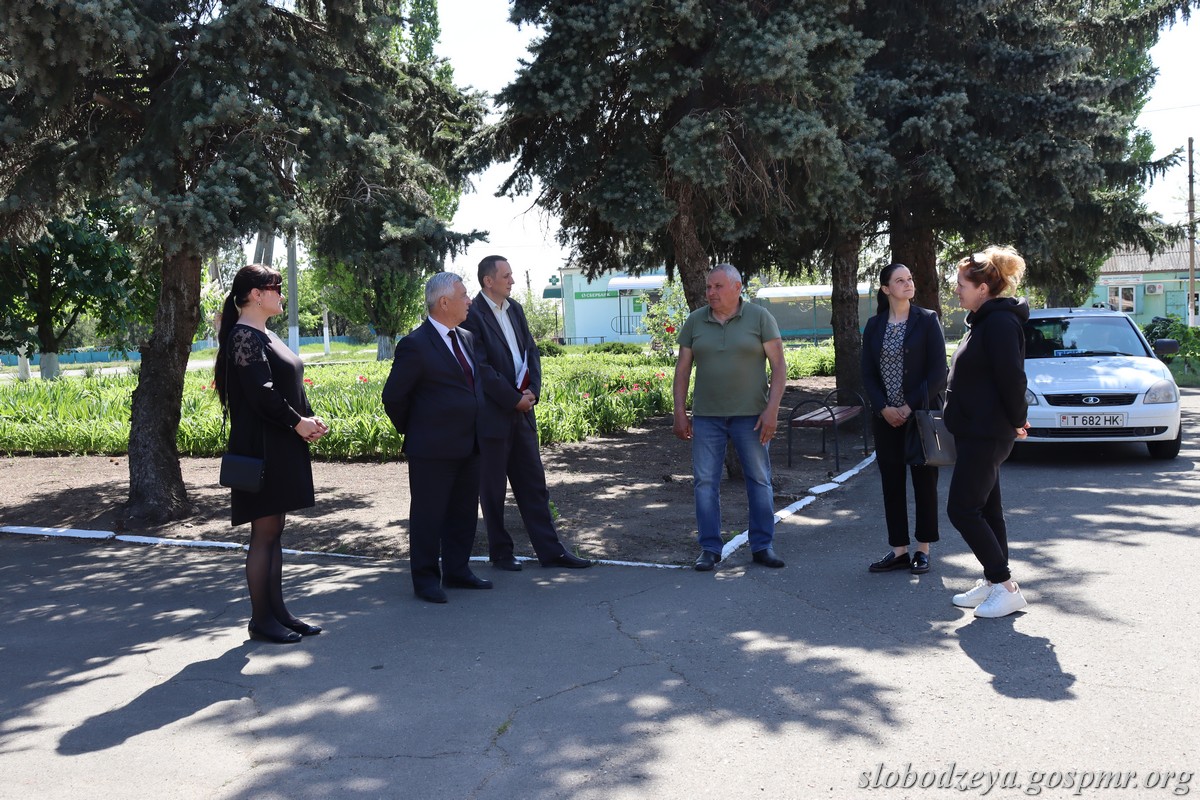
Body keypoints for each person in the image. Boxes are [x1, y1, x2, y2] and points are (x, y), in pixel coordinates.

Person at [214, 264, 329, 644]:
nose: (281, 293)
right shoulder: (243, 337)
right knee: (263, 534)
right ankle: (261, 619)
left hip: (279, 442)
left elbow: (288, 383)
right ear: (254, 295)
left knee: (273, 532)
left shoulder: (265, 334)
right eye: (274, 287)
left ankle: (278, 612)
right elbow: (262, 393)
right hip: (261, 447)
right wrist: (297, 423)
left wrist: (307, 418)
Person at [461, 255, 593, 570]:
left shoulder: (516, 309)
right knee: (492, 491)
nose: (512, 280)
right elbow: (479, 366)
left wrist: (532, 392)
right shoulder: (473, 315)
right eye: (506, 276)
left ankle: (551, 552)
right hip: (492, 418)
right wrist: (511, 398)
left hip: (523, 414)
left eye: (511, 275)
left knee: (534, 485)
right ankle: (501, 553)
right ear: (488, 281)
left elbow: (531, 351)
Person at [382, 272, 492, 604]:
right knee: (429, 515)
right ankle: (426, 580)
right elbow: (394, 397)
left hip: (469, 443)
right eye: (464, 295)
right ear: (444, 302)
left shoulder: (467, 338)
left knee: (462, 512)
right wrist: (415, 430)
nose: (469, 300)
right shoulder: (414, 344)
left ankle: (458, 570)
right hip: (431, 449)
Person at [673, 263, 788, 571]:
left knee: (759, 480)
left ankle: (763, 545)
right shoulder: (695, 321)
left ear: (737, 288)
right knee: (705, 482)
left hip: (751, 416)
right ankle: (709, 548)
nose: (710, 292)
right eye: (709, 287)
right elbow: (682, 370)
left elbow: (779, 367)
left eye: (717, 286)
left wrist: (772, 411)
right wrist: (680, 411)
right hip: (707, 417)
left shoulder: (760, 317)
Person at [943, 246, 1031, 618]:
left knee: (962, 509)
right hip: (975, 430)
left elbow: (1012, 377)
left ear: (983, 287)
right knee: (988, 509)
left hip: (986, 431)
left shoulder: (998, 323)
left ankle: (1005, 584)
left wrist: (1017, 419)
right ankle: (996, 582)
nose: (957, 291)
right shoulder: (983, 321)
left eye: (962, 284)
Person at [861, 263, 948, 575]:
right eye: (900, 280)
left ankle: (923, 550)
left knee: (925, 482)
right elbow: (867, 374)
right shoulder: (874, 325)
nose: (908, 284)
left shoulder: (927, 320)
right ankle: (898, 550)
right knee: (891, 483)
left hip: (919, 415)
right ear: (886, 289)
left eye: (910, 278)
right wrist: (884, 407)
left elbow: (939, 372)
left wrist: (908, 408)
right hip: (886, 418)